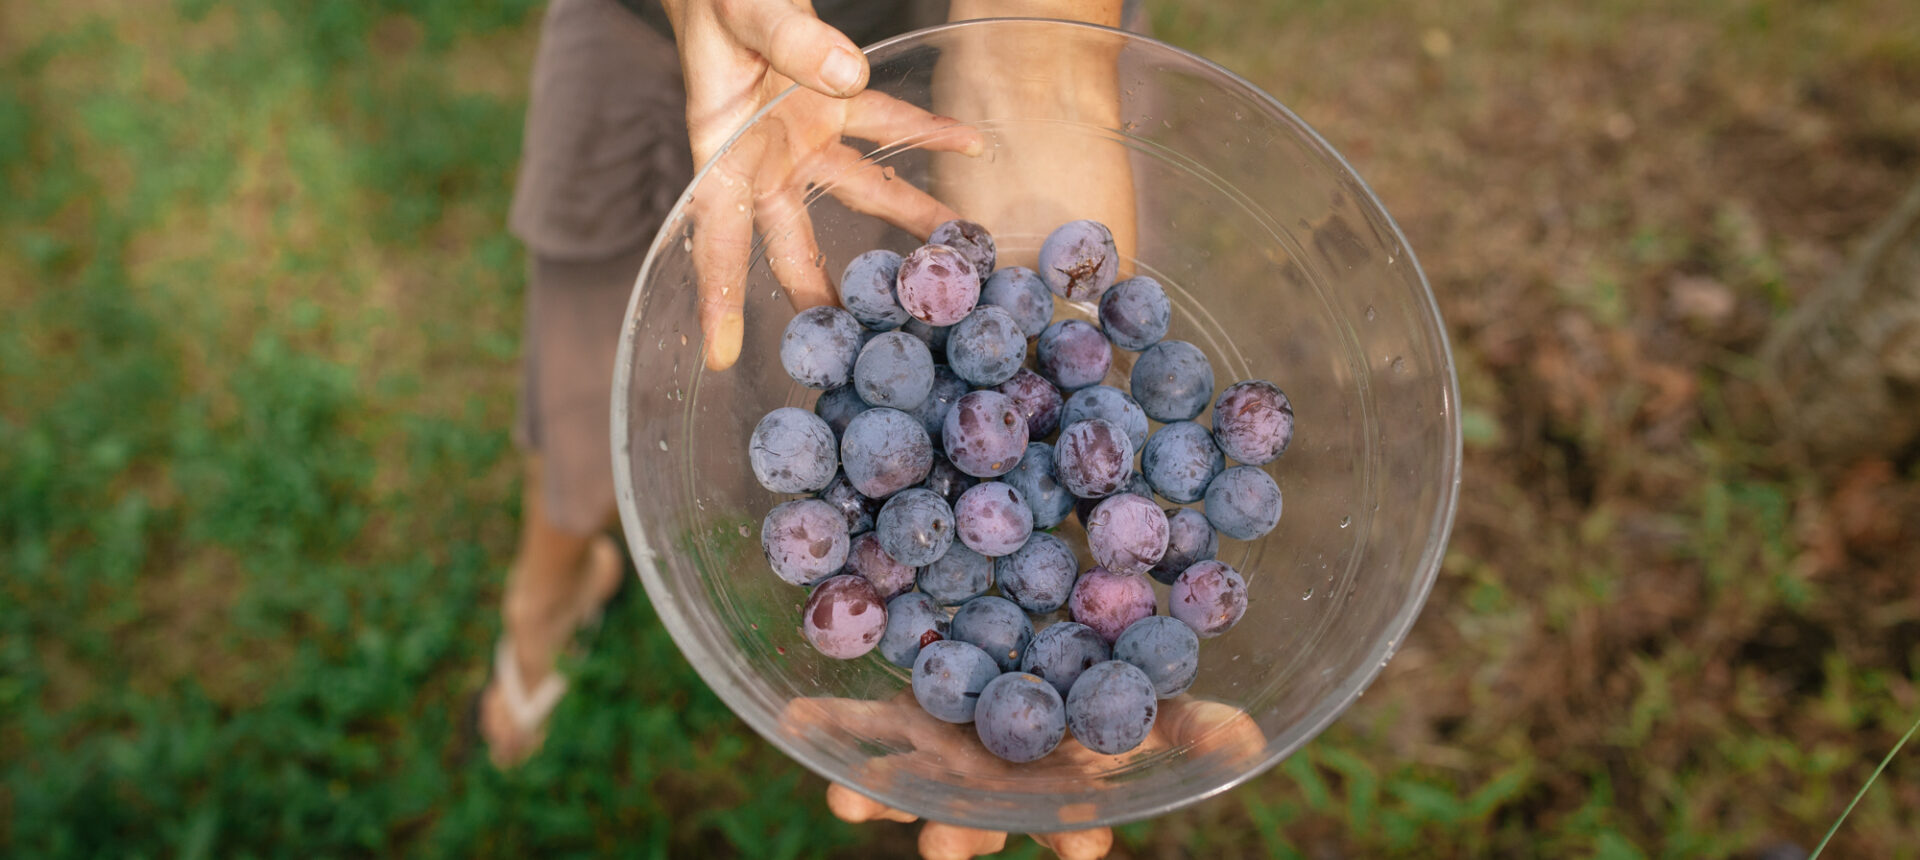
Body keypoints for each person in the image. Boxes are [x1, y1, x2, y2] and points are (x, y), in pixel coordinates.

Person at [482, 1, 1217, 856]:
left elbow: (1032, 64)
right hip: (636, 24)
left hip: (917, 45)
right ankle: (544, 593)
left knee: (787, 372)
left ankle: (552, 588)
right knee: (585, 392)